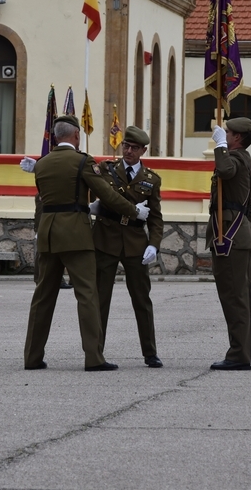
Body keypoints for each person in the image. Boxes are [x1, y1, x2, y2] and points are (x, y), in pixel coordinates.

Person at [24, 115, 150, 371]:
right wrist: (134, 212)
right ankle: (94, 358)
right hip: (75, 235)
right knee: (88, 295)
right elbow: (107, 194)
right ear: (76, 136)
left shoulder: (42, 164)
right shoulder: (83, 161)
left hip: (48, 233)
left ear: (56, 136)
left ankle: (32, 357)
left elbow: (42, 199)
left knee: (42, 297)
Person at [91, 126, 164, 368]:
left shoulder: (151, 179)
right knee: (100, 299)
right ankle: (95, 353)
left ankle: (150, 352)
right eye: (126, 146)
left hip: (135, 243)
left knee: (142, 300)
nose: (128, 150)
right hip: (105, 239)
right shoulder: (106, 170)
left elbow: (155, 218)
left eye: (134, 147)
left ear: (144, 150)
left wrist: (154, 244)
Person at [207, 118, 251, 371]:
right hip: (236, 233)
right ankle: (239, 352)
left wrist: (219, 146)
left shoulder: (236, 159)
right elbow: (250, 208)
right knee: (236, 297)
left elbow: (225, 171)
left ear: (237, 138)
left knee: (234, 298)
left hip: (231, 235)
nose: (223, 133)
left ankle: (238, 355)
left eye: (227, 132)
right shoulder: (242, 159)